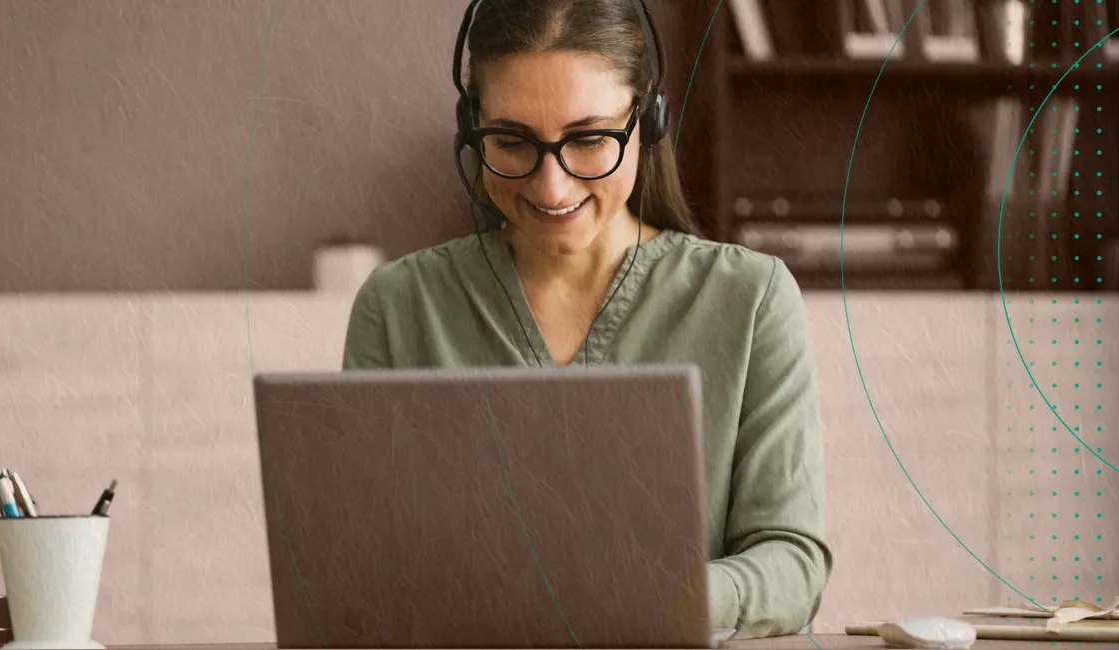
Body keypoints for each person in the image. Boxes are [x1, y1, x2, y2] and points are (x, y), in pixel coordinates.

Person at [342, 0, 833, 639]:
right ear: (472, 127)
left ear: (648, 121)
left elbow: (792, 561)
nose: (552, 188)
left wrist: (672, 596)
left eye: (590, 139)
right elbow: (351, 574)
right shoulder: (397, 307)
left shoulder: (751, 299)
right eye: (512, 141)